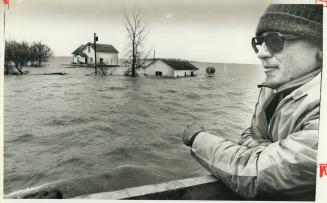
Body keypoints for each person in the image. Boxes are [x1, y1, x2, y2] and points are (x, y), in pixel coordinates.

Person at [182, 4, 322, 201]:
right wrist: (267, 153)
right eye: (260, 41)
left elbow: (260, 176)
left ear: (321, 48)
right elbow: (251, 135)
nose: (261, 53)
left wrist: (197, 138)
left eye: (275, 40)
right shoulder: (274, 89)